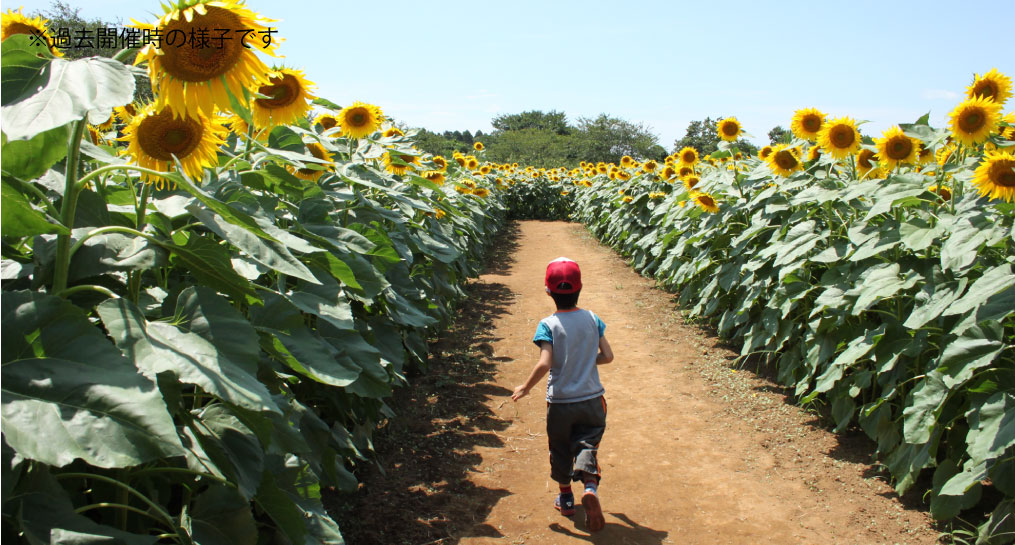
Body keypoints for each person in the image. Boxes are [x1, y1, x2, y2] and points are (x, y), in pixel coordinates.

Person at [511, 257, 614, 532]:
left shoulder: (548, 324)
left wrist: (525, 387)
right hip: (592, 399)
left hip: (560, 402)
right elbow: (608, 356)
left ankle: (566, 498)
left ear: (548, 291)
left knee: (559, 448)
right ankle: (590, 487)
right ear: (580, 288)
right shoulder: (593, 319)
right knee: (587, 443)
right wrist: (584, 361)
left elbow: (545, 362)